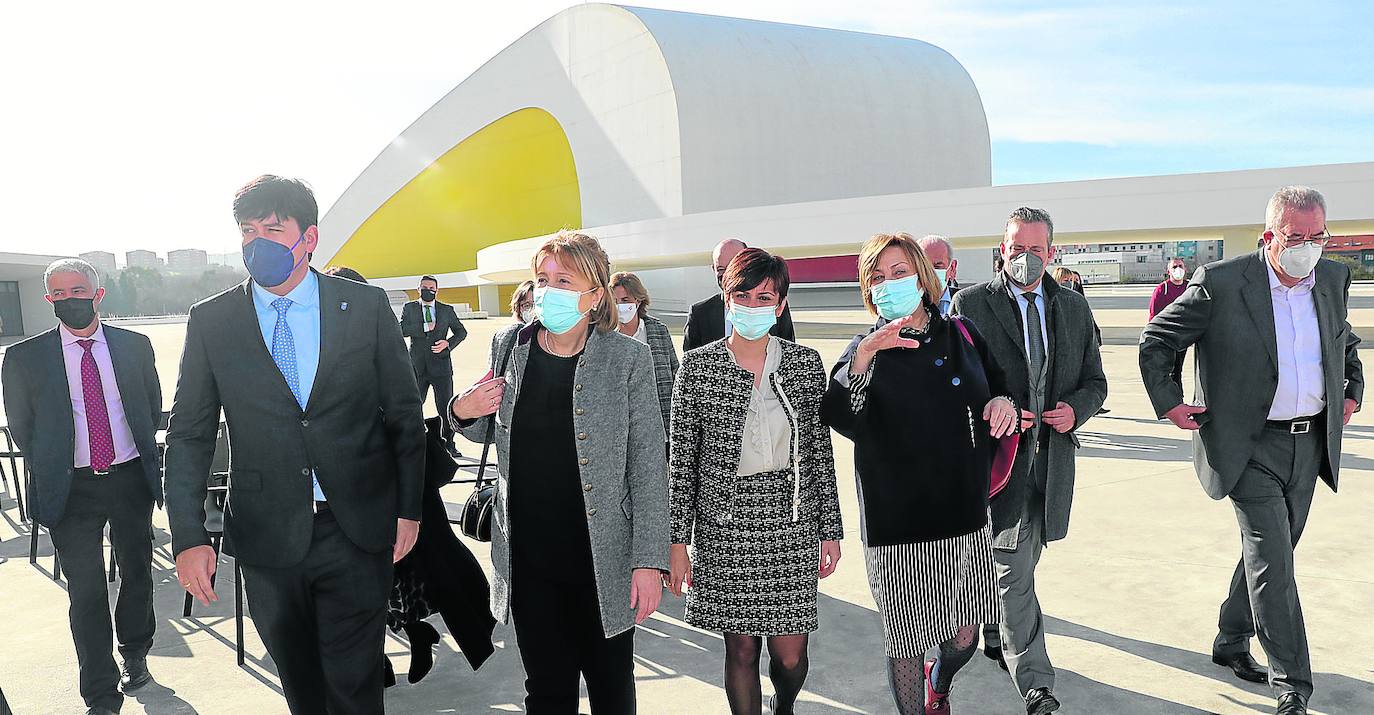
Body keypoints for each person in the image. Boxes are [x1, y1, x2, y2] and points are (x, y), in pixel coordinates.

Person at [165, 175, 426, 715]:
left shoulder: (366, 306)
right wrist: (188, 535)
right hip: (266, 535)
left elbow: (404, 416)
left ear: (309, 238)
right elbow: (189, 434)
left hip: (355, 528)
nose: (257, 241)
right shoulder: (213, 320)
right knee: (302, 688)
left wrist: (409, 509)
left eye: (273, 228)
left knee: (355, 688)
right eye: (247, 230)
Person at [1139, 186, 1363, 715]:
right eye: (1295, 237)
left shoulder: (1332, 279)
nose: (1308, 247)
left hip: (1310, 444)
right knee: (1274, 563)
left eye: (1318, 236)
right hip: (1247, 445)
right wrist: (1170, 401)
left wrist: (1352, 385)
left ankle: (1231, 637)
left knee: (1272, 556)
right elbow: (1158, 340)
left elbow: (1343, 338)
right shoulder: (1222, 283)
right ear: (1270, 237)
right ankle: (1292, 686)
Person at [449, 231, 668, 714]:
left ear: (595, 294)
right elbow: (486, 428)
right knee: (546, 693)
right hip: (529, 562)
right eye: (541, 279)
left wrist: (649, 561)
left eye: (563, 280)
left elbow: (650, 464)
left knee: (613, 691)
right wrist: (462, 411)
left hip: (602, 560)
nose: (547, 291)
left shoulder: (627, 358)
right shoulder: (510, 346)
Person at [821, 233, 1013, 715]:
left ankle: (940, 682)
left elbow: (997, 389)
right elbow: (841, 417)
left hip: (963, 513)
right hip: (898, 521)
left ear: (924, 278)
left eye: (900, 272)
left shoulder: (962, 334)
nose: (890, 283)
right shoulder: (864, 348)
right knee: (906, 643)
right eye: (878, 277)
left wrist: (1001, 403)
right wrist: (864, 356)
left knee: (966, 636)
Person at [667, 248, 843, 715]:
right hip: (725, 522)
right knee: (741, 649)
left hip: (790, 520)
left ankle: (782, 706)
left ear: (781, 304)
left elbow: (819, 453)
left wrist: (830, 527)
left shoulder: (805, 364)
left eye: (765, 297)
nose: (752, 304)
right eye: (742, 295)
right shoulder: (699, 367)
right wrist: (677, 542)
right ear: (727, 300)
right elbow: (682, 461)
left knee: (791, 655)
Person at [951, 207, 1107, 715]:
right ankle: (1036, 682)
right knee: (1014, 572)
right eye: (1016, 248)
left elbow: (1096, 380)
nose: (1025, 258)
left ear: (1051, 253)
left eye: (1035, 250)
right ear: (1003, 249)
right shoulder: (970, 304)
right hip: (1001, 465)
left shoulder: (1074, 308)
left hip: (1054, 464)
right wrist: (994, 405)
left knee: (1023, 563)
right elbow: (956, 385)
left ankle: (996, 626)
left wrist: (1075, 411)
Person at [1, 258, 163, 715]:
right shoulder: (24, 357)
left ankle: (135, 652)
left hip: (129, 478)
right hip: (71, 489)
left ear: (98, 293)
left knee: (137, 573)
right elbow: (23, 428)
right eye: (59, 293)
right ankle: (100, 693)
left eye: (78, 291)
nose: (69, 300)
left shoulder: (135, 347)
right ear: (48, 298)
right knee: (86, 591)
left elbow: (151, 410)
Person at [683, 239, 796, 351]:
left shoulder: (774, 306)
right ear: (714, 269)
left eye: (735, 267)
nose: (729, 275)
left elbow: (788, 348)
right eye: (722, 269)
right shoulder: (699, 313)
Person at [401, 274, 468, 458]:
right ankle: (413, 441)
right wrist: (423, 327)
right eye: (424, 287)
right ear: (418, 289)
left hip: (441, 368)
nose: (427, 291)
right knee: (414, 405)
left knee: (445, 407)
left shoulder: (446, 310)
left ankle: (449, 443)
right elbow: (401, 330)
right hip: (416, 367)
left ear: (436, 291)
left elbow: (461, 332)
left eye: (431, 288)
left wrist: (448, 343)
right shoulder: (409, 308)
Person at [611, 271, 679, 438]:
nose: (620, 306)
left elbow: (675, 372)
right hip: (622, 426)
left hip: (660, 424)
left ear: (638, 300)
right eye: (615, 301)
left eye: (625, 300)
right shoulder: (605, 336)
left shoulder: (658, 331)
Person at [1148, 257, 1191, 391]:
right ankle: (1175, 399)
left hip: (1184, 336)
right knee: (1171, 370)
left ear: (1185, 269)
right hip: (1167, 337)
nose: (1178, 269)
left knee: (1178, 369)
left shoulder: (1191, 287)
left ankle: (1177, 397)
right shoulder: (1162, 290)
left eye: (1180, 266)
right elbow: (1153, 316)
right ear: (1168, 271)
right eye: (1174, 267)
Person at [916, 234, 961, 315]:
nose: (930, 273)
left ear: (952, 268)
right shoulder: (905, 304)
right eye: (925, 266)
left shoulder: (966, 302)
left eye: (937, 266)